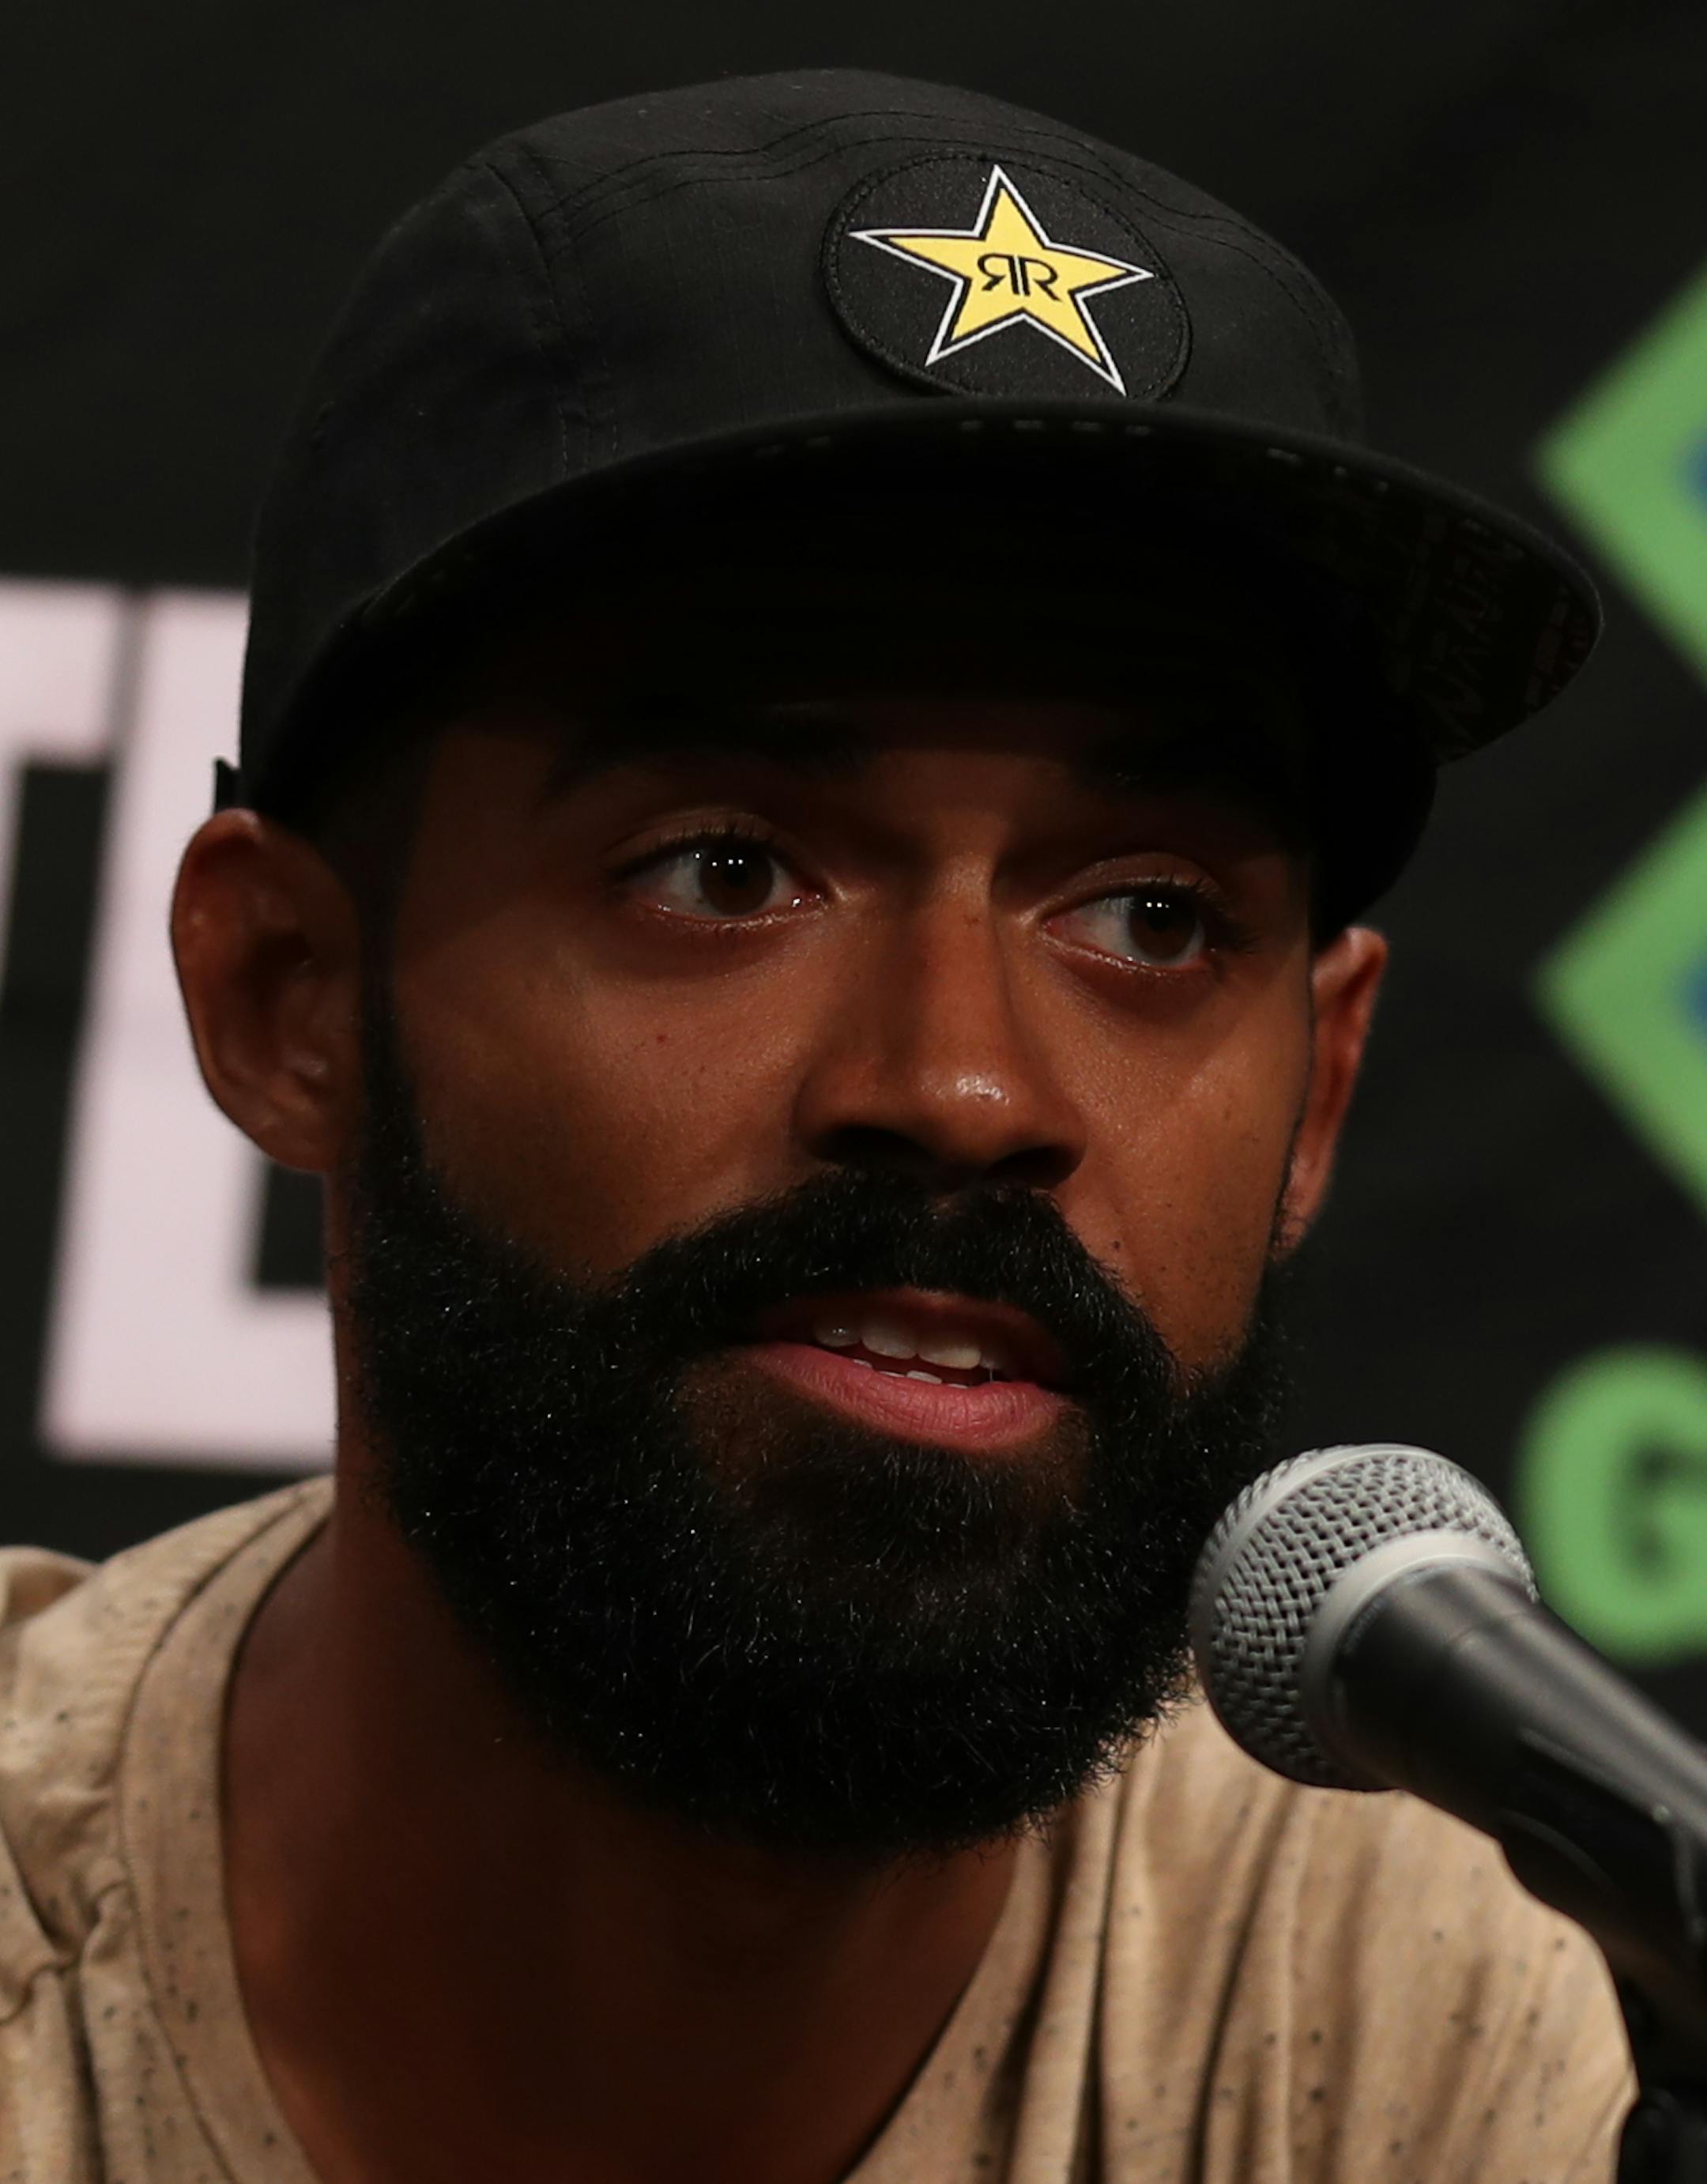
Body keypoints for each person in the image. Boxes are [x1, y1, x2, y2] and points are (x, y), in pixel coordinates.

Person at [0, 66, 1631, 2184]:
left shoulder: (1444, 2035)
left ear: (1318, 1096)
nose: (962, 1087)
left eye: (1149, 916)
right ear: (285, 996)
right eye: (726, 871)